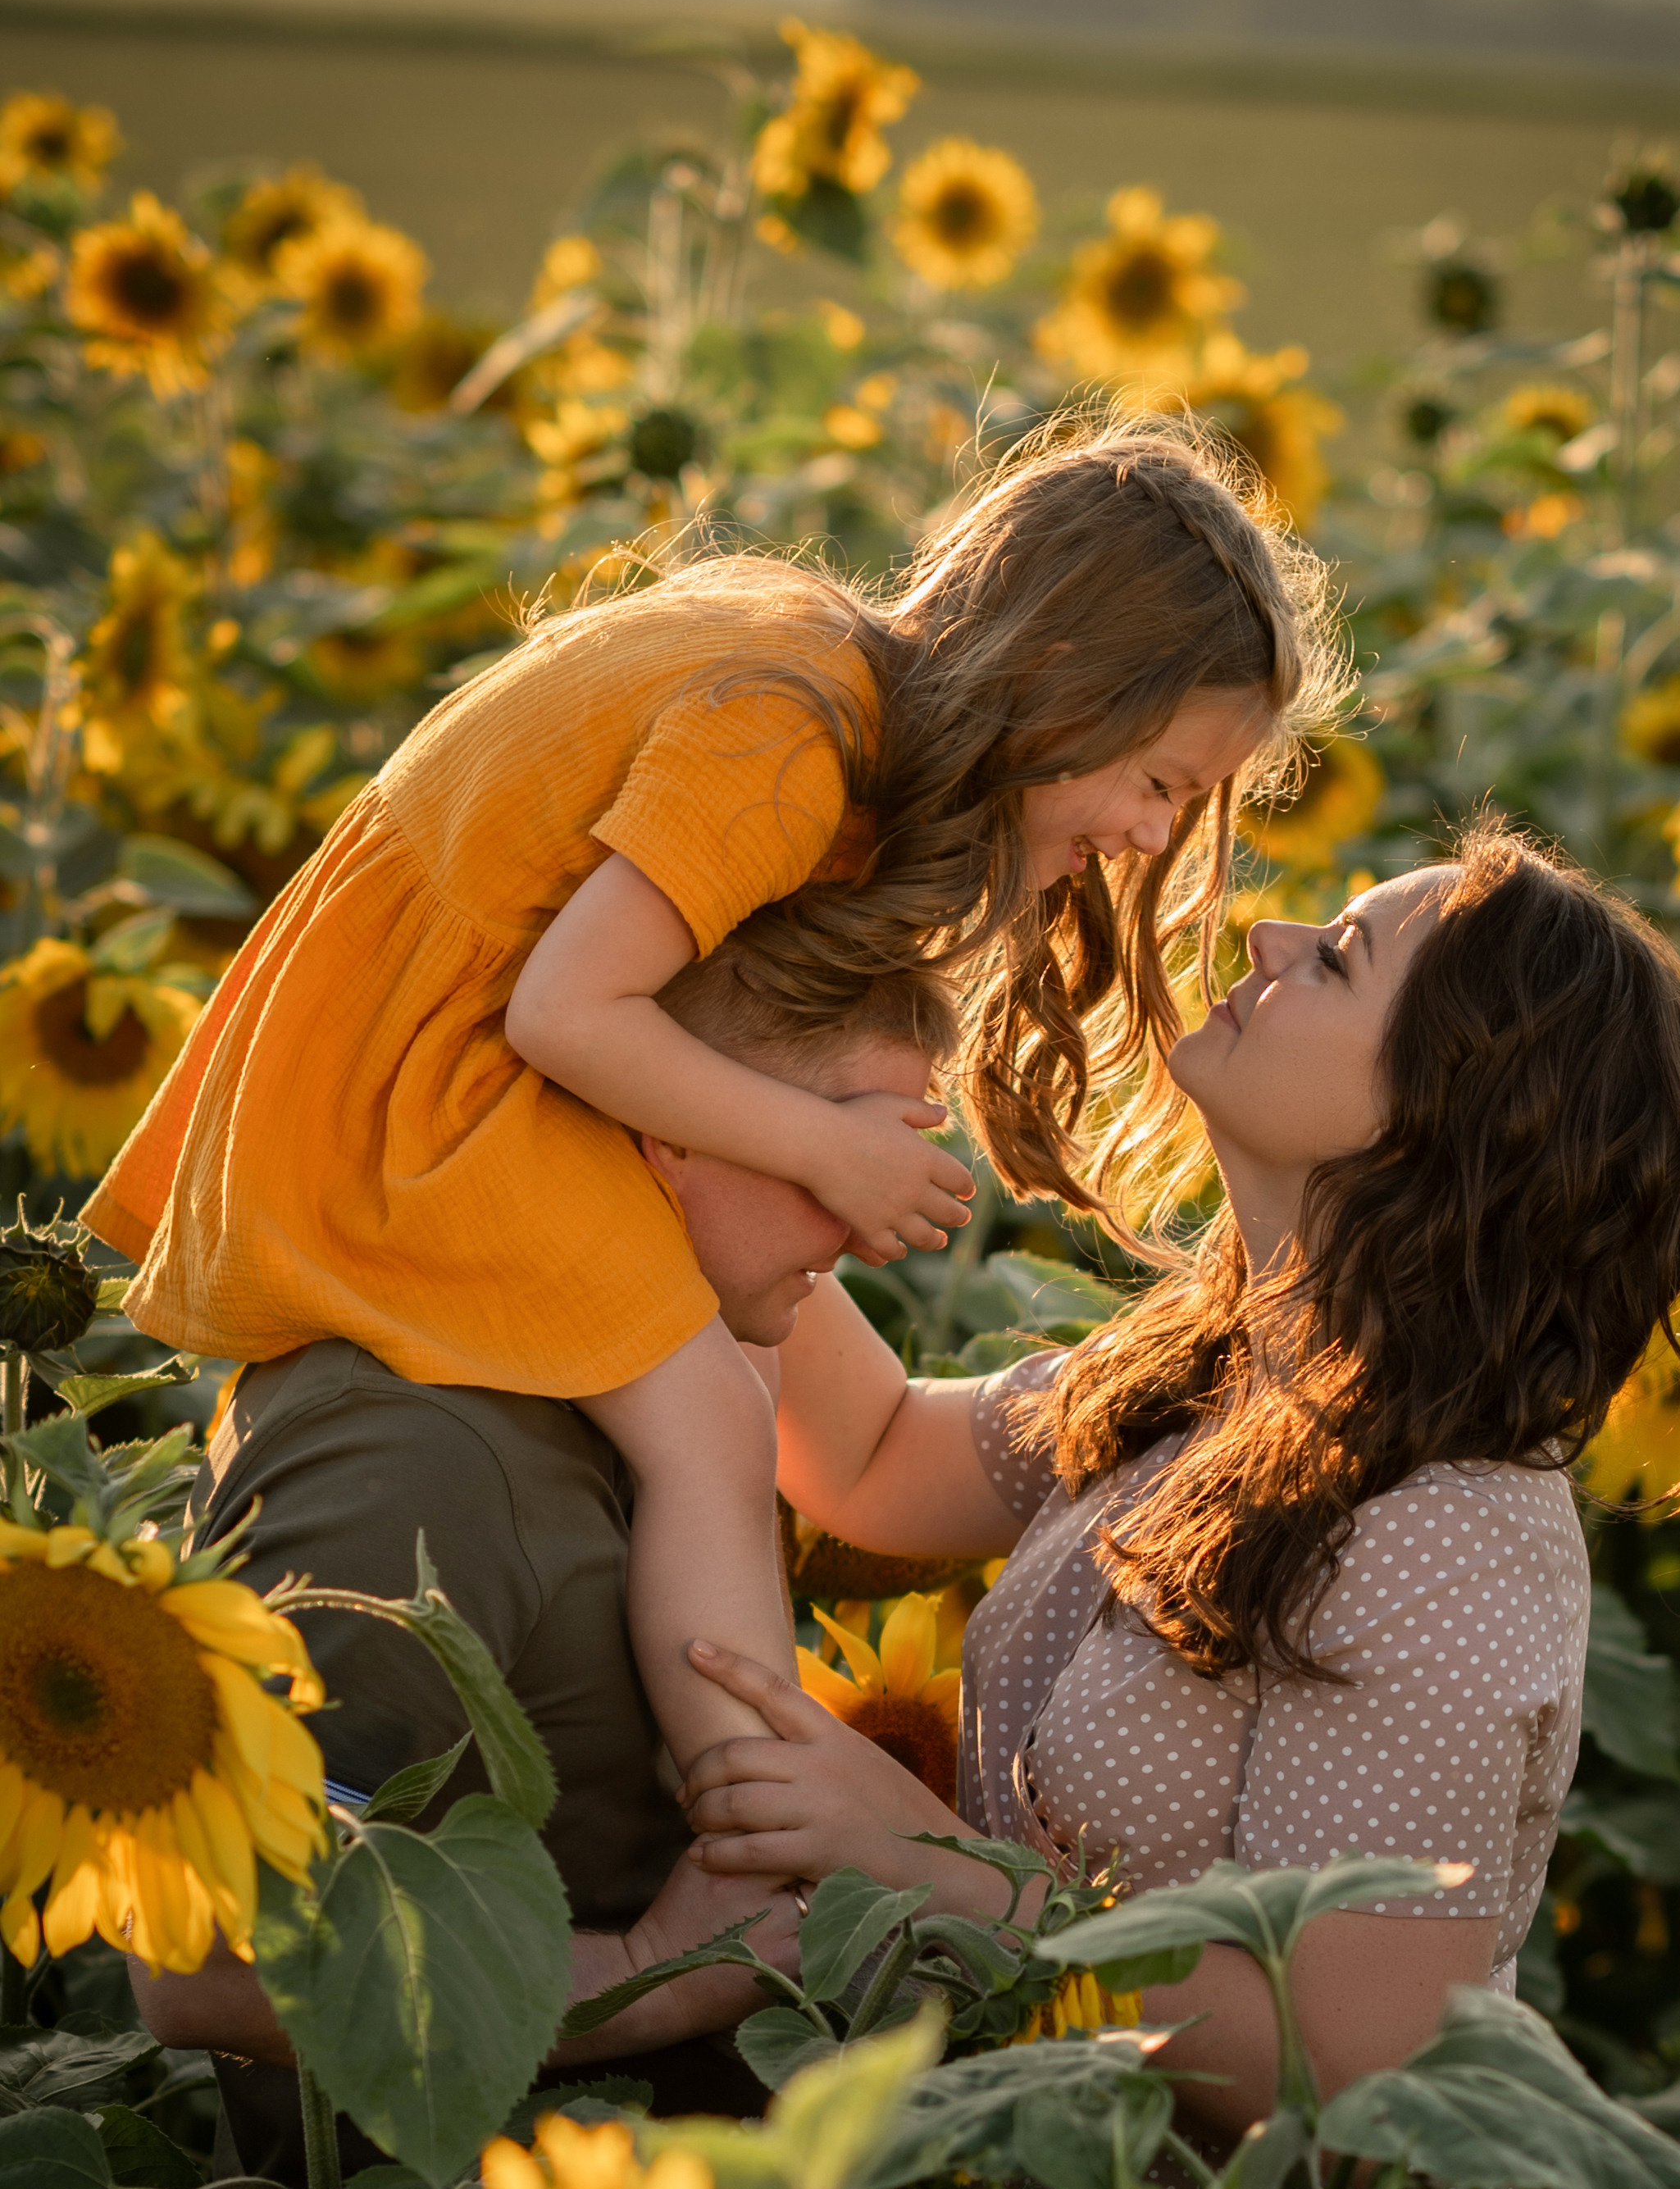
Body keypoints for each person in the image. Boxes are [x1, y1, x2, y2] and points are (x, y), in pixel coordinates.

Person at [670, 820, 1680, 2189]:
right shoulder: (1231, 1371)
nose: (1272, 926)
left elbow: (1348, 2063)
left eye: (1346, 955)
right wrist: (707, 1131)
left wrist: (920, 1853)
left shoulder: (1451, 1524)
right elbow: (876, 1456)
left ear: (1442, 1117)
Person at [86, 416, 1341, 1819]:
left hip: (441, 1048)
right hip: (424, 1084)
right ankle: (754, 1814)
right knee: (710, 1427)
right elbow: (566, 1015)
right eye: (1160, 783)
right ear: (1059, 676)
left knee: (723, 1382)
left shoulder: (820, 693)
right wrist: (826, 1148)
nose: (1155, 838)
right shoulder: (789, 733)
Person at [129, 940, 958, 2189]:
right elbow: (206, 1962)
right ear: (663, 1124)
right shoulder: (412, 1450)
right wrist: (641, 1981)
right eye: (833, 1145)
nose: (871, 1224)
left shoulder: (652, 1378)